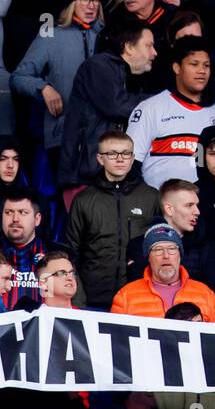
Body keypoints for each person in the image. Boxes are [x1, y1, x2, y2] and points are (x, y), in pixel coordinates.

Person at [9, 0, 105, 178]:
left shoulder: (107, 35)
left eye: (95, 0)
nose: (91, 5)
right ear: (71, 2)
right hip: (63, 135)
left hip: (102, 137)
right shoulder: (51, 34)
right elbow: (18, 77)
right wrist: (43, 88)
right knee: (68, 201)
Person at [63, 129, 158, 306]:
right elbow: (70, 254)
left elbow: (159, 248)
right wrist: (79, 299)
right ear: (100, 159)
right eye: (112, 154)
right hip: (93, 300)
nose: (120, 159)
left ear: (132, 158)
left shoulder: (152, 197)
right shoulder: (83, 200)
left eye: (126, 153)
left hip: (139, 299)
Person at [58, 24, 155, 189]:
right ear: (129, 47)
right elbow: (117, 105)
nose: (154, 53)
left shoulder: (125, 73)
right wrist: (161, 102)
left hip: (103, 173)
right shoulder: (98, 66)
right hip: (85, 176)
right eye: (148, 45)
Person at [127, 39, 215, 189]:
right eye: (194, 64)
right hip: (158, 205)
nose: (202, 70)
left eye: (206, 65)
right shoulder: (151, 107)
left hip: (205, 205)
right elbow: (131, 162)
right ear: (177, 67)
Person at [112, 223, 215, 321]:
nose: (166, 256)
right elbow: (116, 341)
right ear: (148, 258)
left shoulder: (206, 294)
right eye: (158, 250)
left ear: (180, 256)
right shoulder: (125, 297)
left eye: (172, 249)